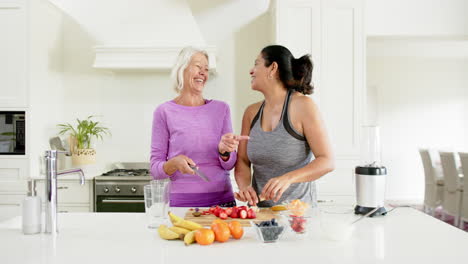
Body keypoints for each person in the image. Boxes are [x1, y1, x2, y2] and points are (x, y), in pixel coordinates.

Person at [234, 45, 334, 207]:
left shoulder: (303, 106)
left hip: (298, 217)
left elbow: (327, 161)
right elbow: (243, 161)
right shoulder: (251, 112)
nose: (251, 71)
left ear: (272, 68)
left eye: (257, 64)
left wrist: (288, 178)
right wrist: (245, 187)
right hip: (261, 216)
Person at [150, 47, 248, 207]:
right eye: (198, 66)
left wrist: (224, 152)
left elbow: (229, 164)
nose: (203, 72)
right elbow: (155, 170)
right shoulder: (164, 112)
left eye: (206, 69)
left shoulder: (221, 109)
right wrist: (174, 163)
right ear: (182, 69)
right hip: (182, 206)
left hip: (222, 203)